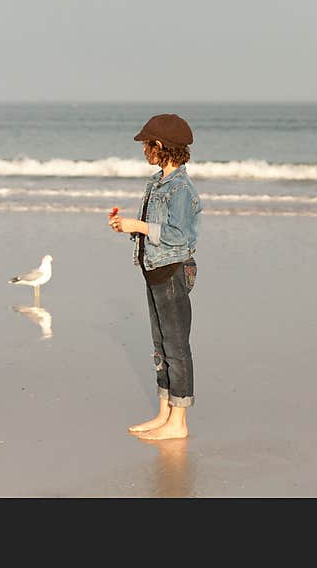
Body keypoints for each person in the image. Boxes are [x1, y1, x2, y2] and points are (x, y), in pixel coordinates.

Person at [108, 113, 202, 440]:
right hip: (155, 267)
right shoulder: (157, 182)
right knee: (160, 344)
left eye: (146, 144)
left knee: (177, 346)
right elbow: (156, 229)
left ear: (159, 146)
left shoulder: (182, 188)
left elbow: (180, 235)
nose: (144, 150)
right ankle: (164, 413)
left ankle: (179, 423)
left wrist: (140, 226)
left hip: (174, 269)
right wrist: (130, 228)